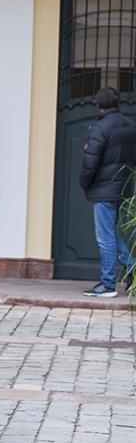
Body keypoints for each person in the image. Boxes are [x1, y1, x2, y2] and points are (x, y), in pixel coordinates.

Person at [79, 85, 136, 298]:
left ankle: (108, 284)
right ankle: (133, 268)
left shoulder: (99, 128)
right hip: (122, 189)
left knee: (105, 237)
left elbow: (90, 163)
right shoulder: (130, 126)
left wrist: (84, 183)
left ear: (99, 105)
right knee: (111, 234)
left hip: (104, 190)